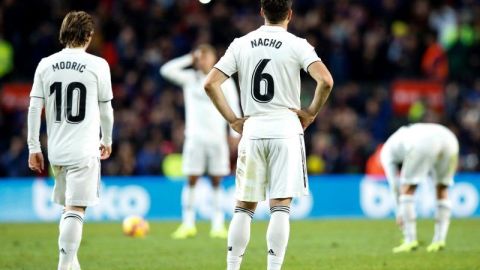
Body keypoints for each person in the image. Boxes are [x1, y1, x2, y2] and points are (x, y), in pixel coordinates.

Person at [204, 0, 334, 269]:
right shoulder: (298, 44)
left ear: (261, 12)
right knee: (280, 206)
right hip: (286, 128)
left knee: (244, 206)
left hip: (253, 128)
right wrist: (310, 113)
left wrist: (232, 120)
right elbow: (326, 81)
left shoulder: (241, 43)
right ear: (290, 14)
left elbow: (210, 84)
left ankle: (232, 267)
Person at [27, 11, 114, 270]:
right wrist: (107, 138)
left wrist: (34, 146)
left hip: (56, 149)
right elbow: (107, 110)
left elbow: (34, 109)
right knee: (76, 209)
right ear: (88, 35)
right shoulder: (98, 65)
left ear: (63, 33)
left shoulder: (45, 64)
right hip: (84, 148)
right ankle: (64, 266)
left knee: (68, 208)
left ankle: (71, 265)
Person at [160, 44, 241, 239]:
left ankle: (218, 225)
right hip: (195, 138)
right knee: (191, 179)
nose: (203, 60)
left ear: (214, 59)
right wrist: (189, 58)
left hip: (217, 138)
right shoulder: (190, 79)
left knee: (216, 181)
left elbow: (235, 107)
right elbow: (165, 70)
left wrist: (235, 135)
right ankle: (188, 224)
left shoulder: (224, 81)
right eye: (200, 57)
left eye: (206, 56)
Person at [380, 123, 459, 253]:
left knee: (407, 189)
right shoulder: (404, 135)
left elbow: (394, 184)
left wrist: (399, 211)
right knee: (442, 188)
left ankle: (410, 240)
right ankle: (439, 240)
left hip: (424, 142)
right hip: (449, 138)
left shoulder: (385, 152)